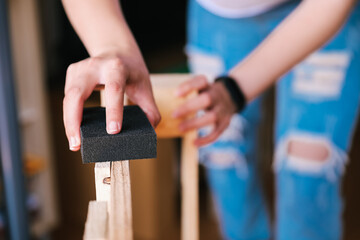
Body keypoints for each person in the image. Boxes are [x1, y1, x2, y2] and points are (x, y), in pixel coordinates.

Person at [61, 0, 359, 239]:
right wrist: (113, 47)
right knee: (226, 168)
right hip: (220, 15)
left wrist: (235, 89)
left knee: (307, 180)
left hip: (323, 12)